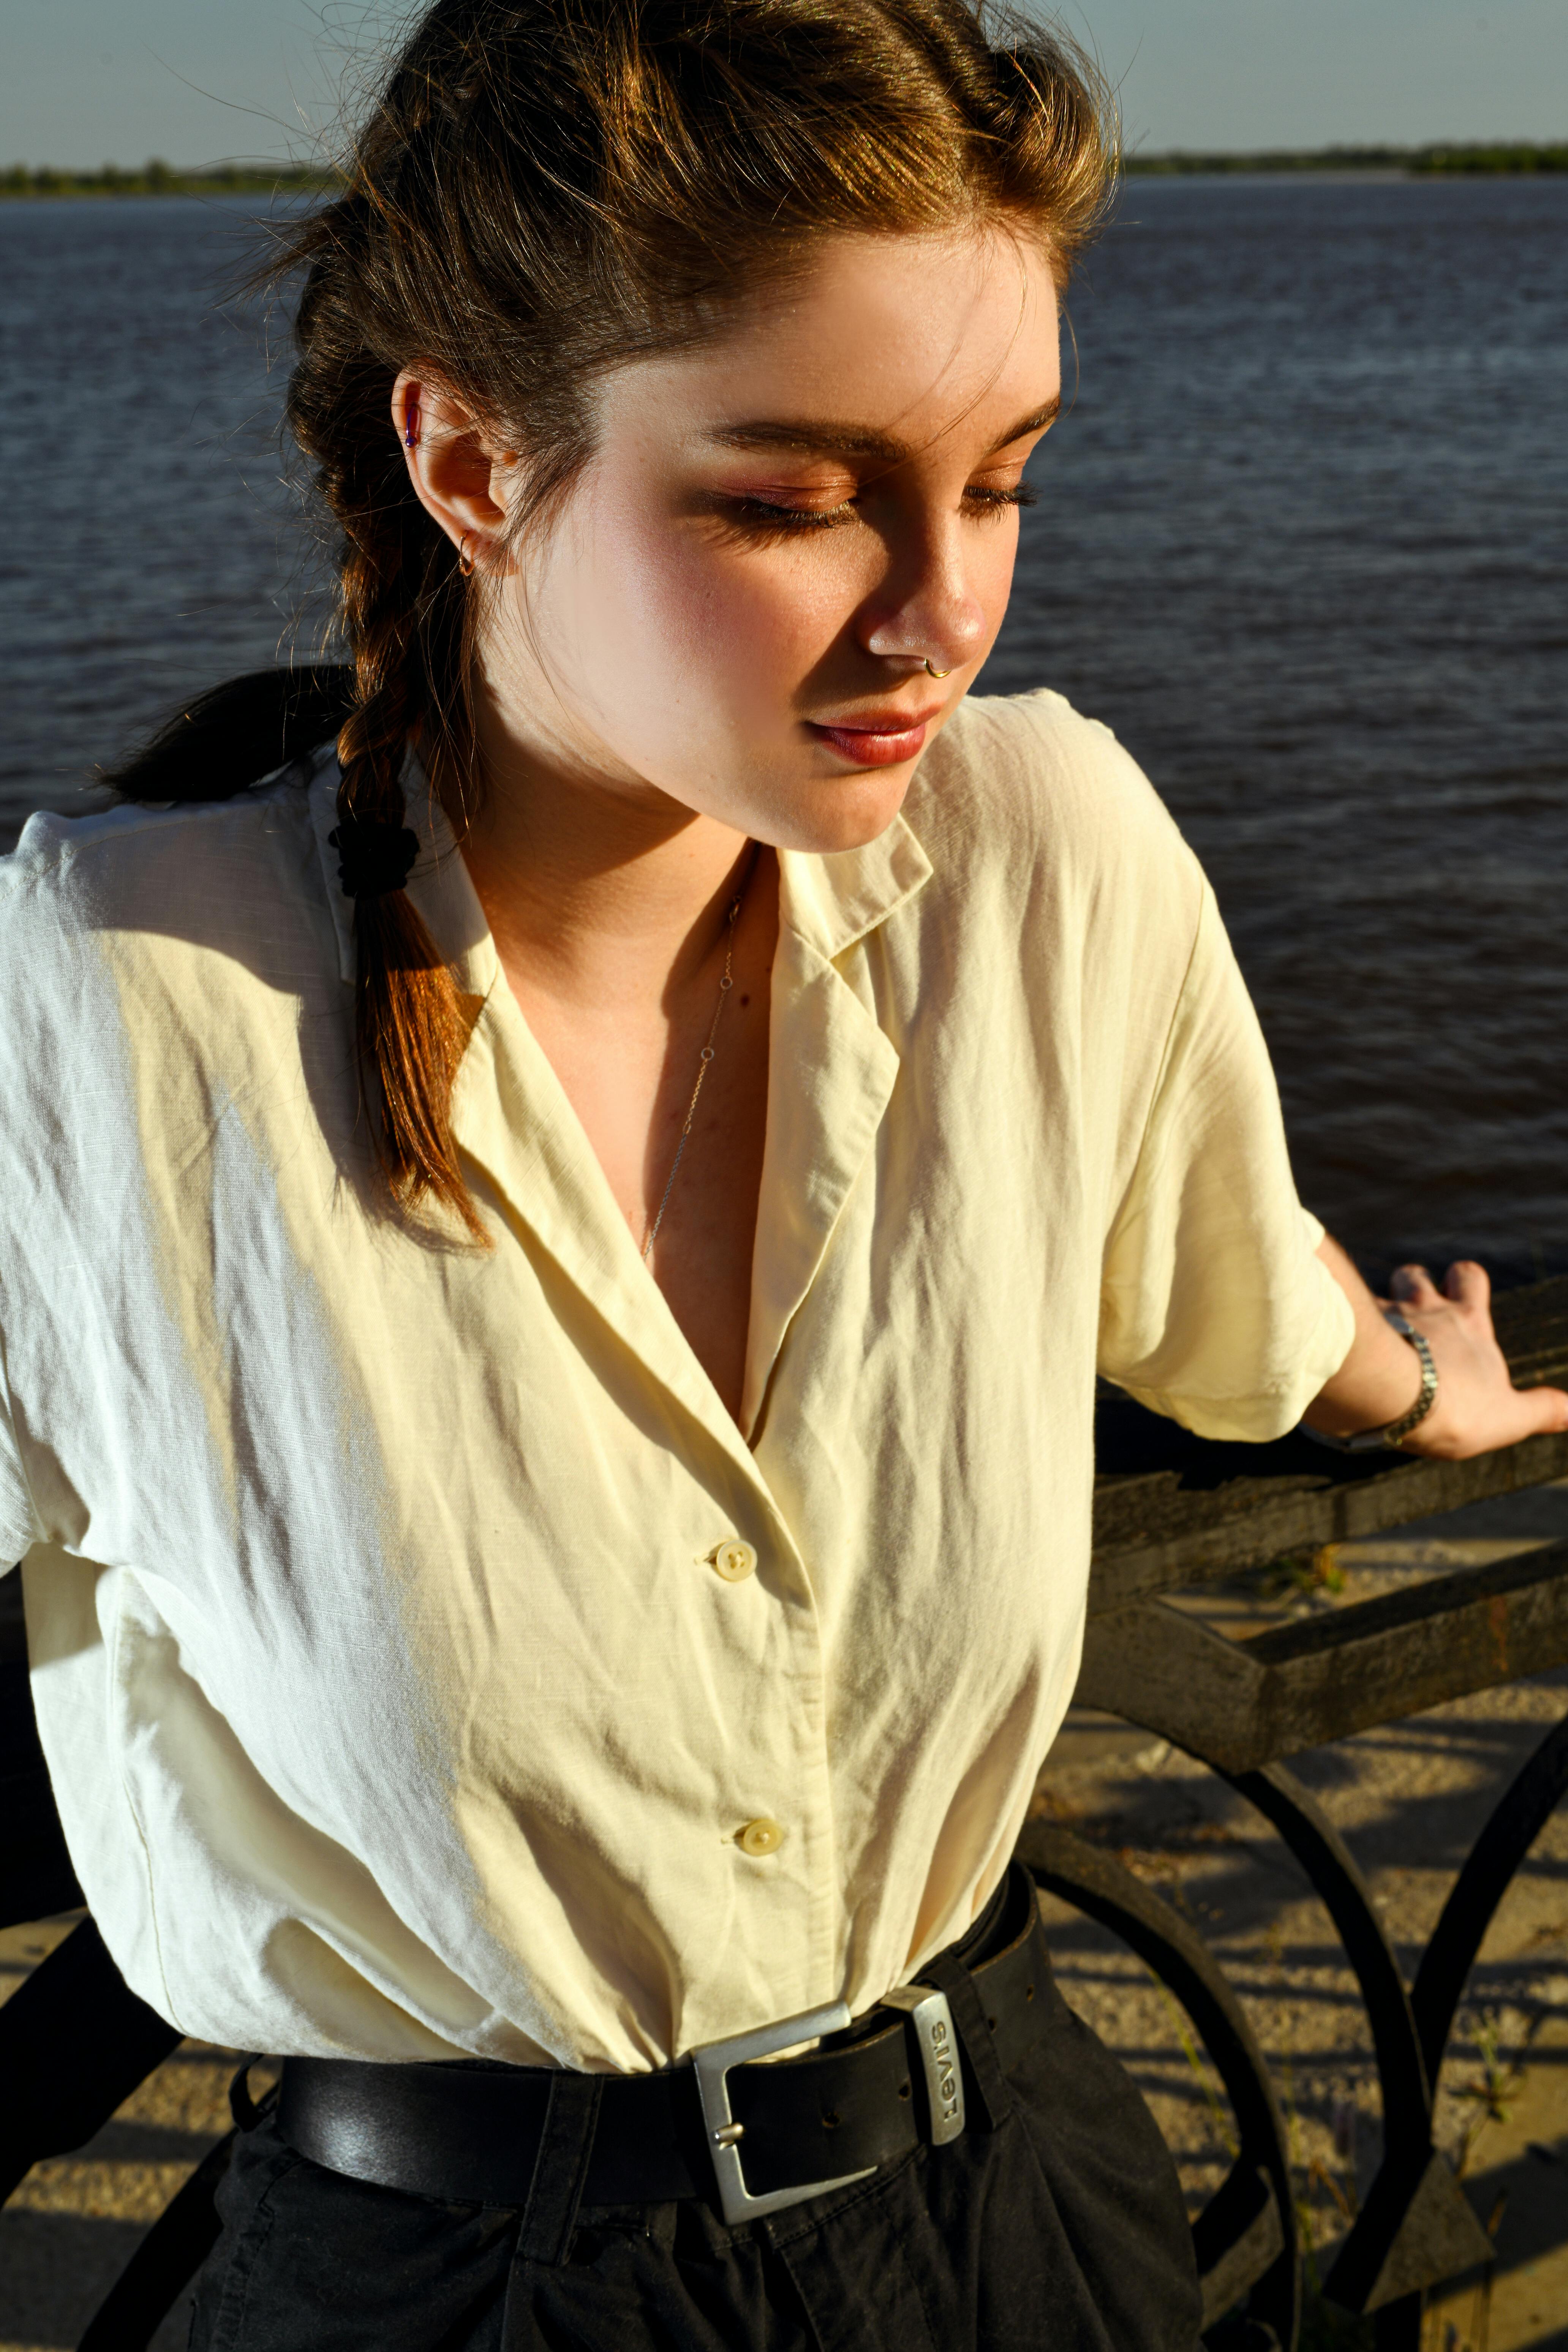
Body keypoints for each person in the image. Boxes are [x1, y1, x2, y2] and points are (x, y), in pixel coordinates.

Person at [3, 1, 1563, 2345]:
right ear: (467, 463)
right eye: (790, 495)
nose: (944, 610)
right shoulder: (111, 1006)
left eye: (1009, 476)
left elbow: (1219, 1284)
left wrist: (1406, 1388)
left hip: (1017, 2215)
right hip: (444, 2289)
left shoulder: (1053, 861)